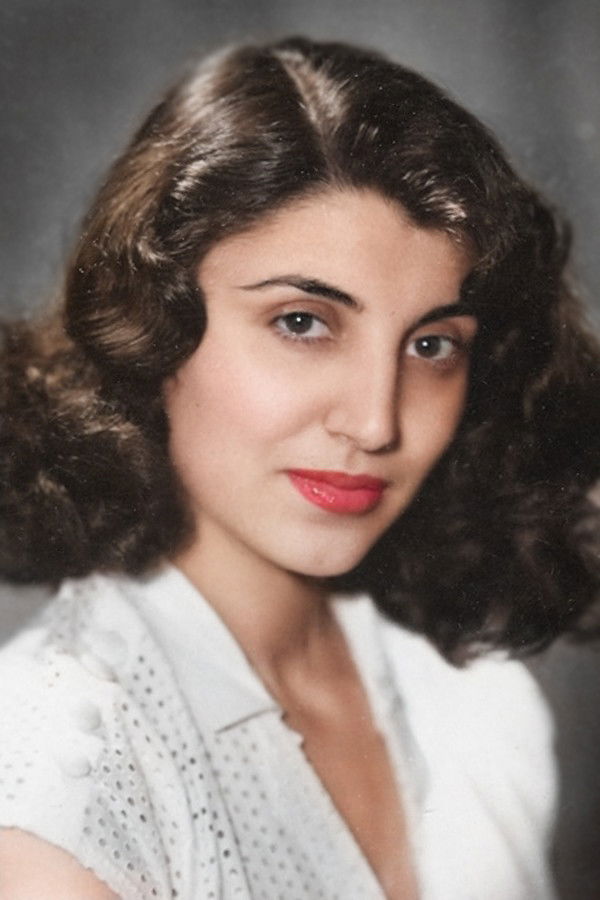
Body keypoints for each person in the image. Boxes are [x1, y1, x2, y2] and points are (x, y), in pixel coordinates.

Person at [0, 35, 598, 900]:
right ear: (151, 327)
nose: (376, 421)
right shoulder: (59, 776)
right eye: (302, 323)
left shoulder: (467, 694)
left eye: (432, 345)